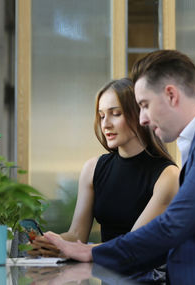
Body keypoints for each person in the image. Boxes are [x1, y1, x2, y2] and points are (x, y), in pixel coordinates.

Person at [44, 50, 195, 284]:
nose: (142, 119)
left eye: (145, 105)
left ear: (171, 95)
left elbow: (174, 224)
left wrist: (91, 252)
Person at [29, 77, 179, 257]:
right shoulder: (93, 169)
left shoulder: (168, 176)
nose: (105, 124)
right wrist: (51, 242)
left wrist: (71, 248)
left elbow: (131, 245)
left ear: (139, 114)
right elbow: (77, 235)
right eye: (101, 116)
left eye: (115, 114)